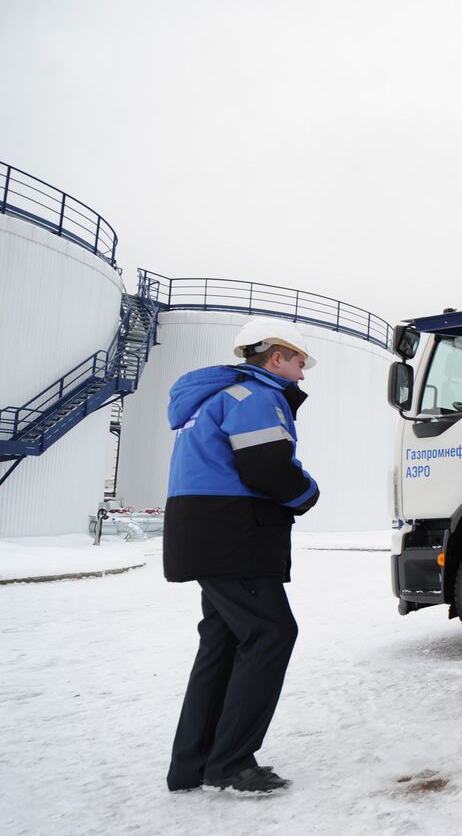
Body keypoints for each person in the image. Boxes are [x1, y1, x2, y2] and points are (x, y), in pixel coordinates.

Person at [164, 318, 321, 795]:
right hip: (234, 535)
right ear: (276, 358)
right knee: (272, 632)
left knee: (224, 642)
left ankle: (192, 764)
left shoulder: (216, 399)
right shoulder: (256, 397)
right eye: (298, 362)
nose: (301, 374)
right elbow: (268, 469)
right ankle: (231, 762)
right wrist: (308, 492)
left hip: (207, 532)